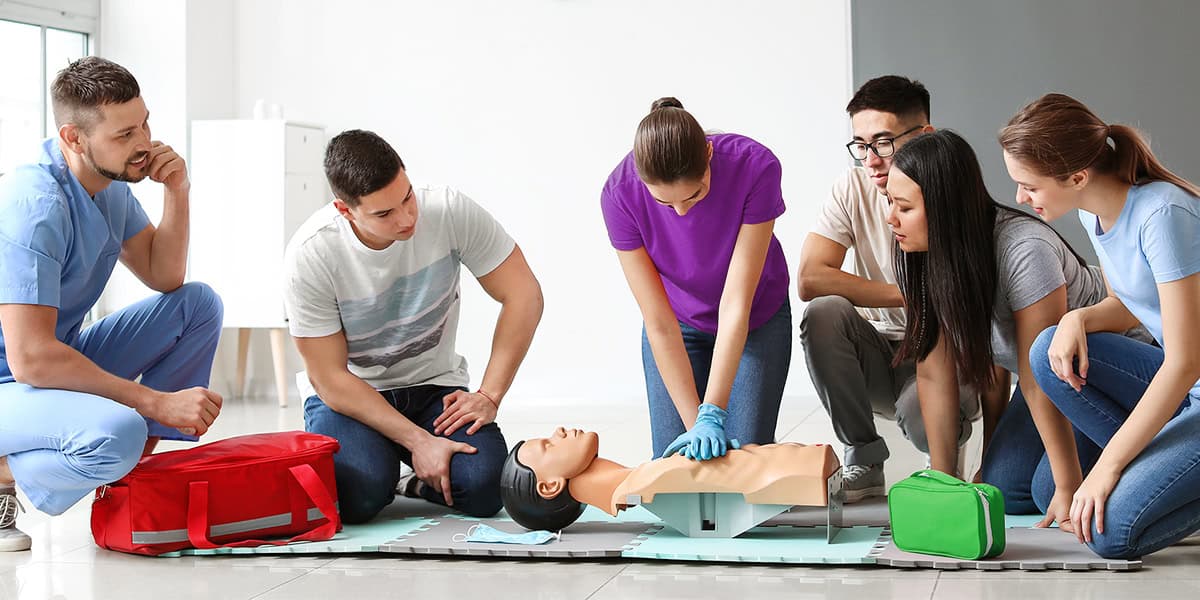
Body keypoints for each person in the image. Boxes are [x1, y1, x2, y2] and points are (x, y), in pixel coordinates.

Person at [0, 57, 224, 551]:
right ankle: (5, 476)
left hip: (49, 363)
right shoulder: (34, 206)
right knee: (117, 431)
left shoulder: (106, 186)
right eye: (125, 135)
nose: (144, 143)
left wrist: (178, 191)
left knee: (198, 305)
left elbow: (165, 275)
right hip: (14, 377)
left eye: (144, 124)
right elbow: (30, 359)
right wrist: (154, 402)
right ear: (74, 138)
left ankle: (131, 476)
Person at [284, 130, 543, 523]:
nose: (406, 219)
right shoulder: (312, 254)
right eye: (384, 214)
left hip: (432, 387)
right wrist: (419, 442)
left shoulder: (449, 210)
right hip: (354, 395)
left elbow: (524, 294)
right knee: (360, 496)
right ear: (345, 210)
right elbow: (329, 378)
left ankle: (414, 481)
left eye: (407, 197)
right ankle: (388, 463)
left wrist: (489, 395)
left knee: (487, 487)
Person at [1000, 93, 1200, 558]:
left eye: (1029, 185)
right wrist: (1078, 317)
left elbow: (1187, 360)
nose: (1019, 198)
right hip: (1188, 391)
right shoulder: (1095, 212)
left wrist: (1110, 467)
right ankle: (1163, 468)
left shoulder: (1162, 215)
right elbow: (1131, 306)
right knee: (1048, 351)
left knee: (1110, 533)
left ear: (1077, 177)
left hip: (1188, 374)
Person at [886, 130, 1113, 528]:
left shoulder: (1024, 250)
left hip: (1098, 370)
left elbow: (1038, 377)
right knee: (1003, 489)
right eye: (890, 202)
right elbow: (935, 373)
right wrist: (946, 485)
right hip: (1054, 375)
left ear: (943, 209)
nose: (891, 218)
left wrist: (1066, 485)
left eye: (903, 207)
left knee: (1048, 492)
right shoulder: (930, 254)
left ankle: (1149, 442)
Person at [797, 76, 981, 501]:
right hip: (881, 350)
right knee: (823, 311)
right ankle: (863, 457)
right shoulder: (853, 188)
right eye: (861, 145)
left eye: (883, 142)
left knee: (923, 414)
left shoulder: (956, 192)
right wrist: (909, 297)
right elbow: (810, 277)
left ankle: (945, 459)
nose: (872, 159)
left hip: (949, 353)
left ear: (925, 135)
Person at [600, 97, 791, 462]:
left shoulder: (755, 167)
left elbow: (736, 303)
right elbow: (658, 322)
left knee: (741, 464)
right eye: (666, 204)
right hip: (678, 323)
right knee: (679, 467)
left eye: (695, 194)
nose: (683, 211)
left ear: (708, 153)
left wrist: (713, 413)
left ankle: (757, 432)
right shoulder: (618, 195)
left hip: (754, 319)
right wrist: (695, 428)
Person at [500, 427, 839, 531]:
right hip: (807, 466)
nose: (558, 431)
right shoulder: (656, 479)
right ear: (549, 486)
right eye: (548, 444)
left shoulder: (652, 475)